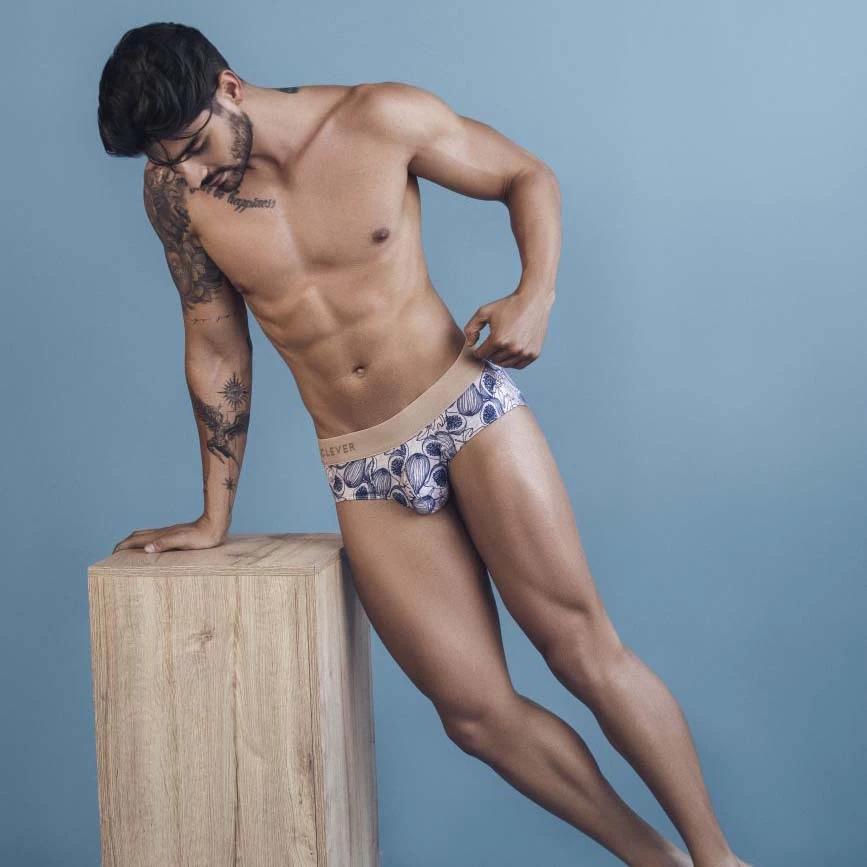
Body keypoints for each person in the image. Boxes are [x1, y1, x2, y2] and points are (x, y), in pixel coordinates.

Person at [100, 22, 752, 867]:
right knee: (474, 714)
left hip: (463, 409)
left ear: (228, 87)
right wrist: (212, 517)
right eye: (165, 161)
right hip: (360, 461)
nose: (186, 173)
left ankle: (718, 859)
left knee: (582, 651)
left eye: (191, 147)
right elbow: (217, 345)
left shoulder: (378, 119)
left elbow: (525, 174)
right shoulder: (175, 197)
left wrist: (535, 295)